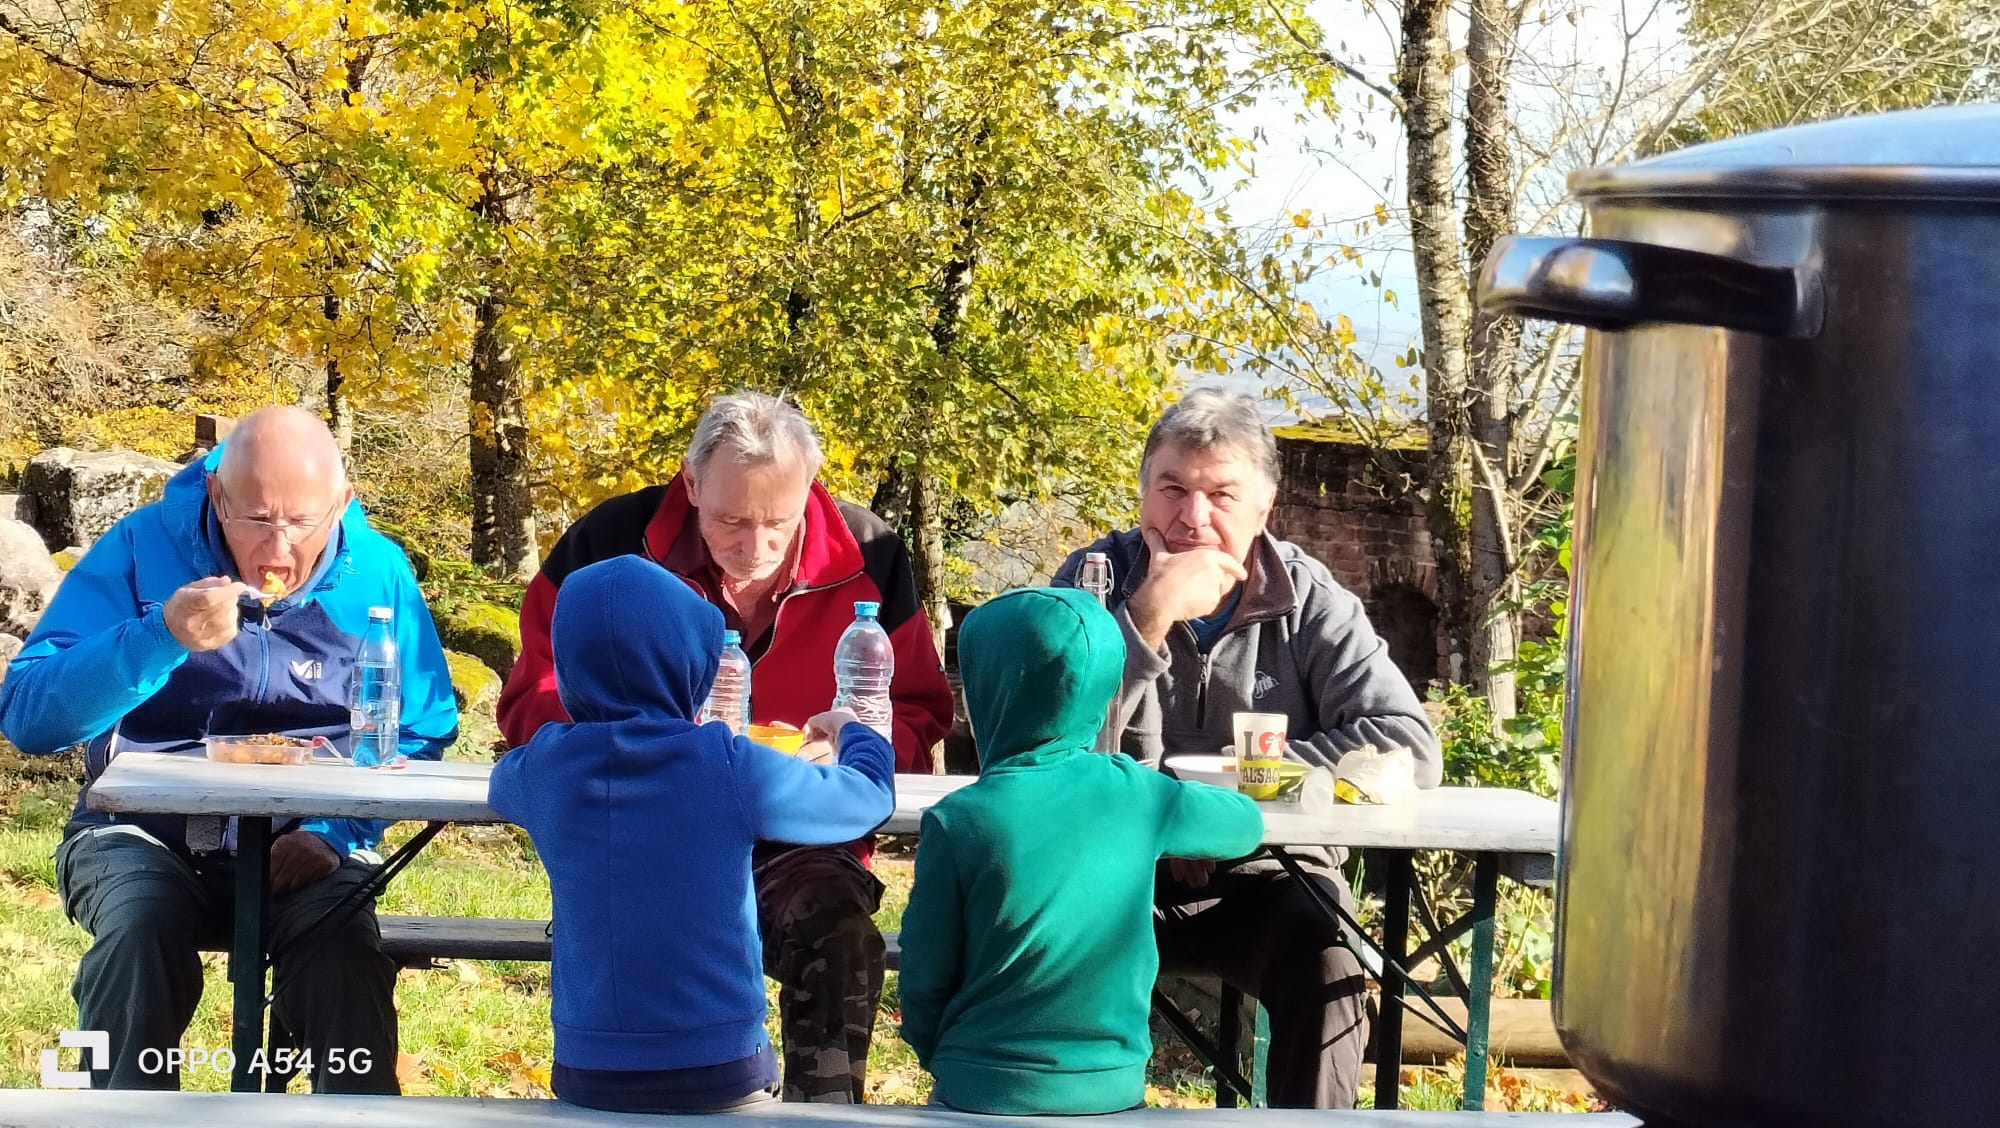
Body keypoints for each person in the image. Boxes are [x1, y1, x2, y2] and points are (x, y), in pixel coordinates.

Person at [496, 391, 954, 1102]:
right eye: (731, 521)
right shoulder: (608, 549)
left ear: (810, 490)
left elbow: (918, 708)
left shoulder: (870, 555)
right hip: (648, 835)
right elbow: (534, 695)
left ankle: (824, 1112)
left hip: (801, 829)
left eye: (779, 523)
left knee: (837, 931)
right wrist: (642, 748)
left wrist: (849, 751)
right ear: (690, 484)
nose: (756, 548)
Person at [0, 405, 458, 1092]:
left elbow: (423, 728)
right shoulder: (140, 548)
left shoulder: (379, 572)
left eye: (302, 521)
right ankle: (115, 1113)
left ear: (342, 504)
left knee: (342, 953)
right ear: (217, 497)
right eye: (257, 519)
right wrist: (159, 635)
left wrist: (336, 832)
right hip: (139, 832)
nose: (278, 549)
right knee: (138, 935)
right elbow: (30, 718)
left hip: (308, 839)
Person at [1052, 387, 1441, 1109]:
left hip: (1270, 869)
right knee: (1033, 943)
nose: (1193, 517)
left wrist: (1229, 802)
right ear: (1143, 492)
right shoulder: (1092, 581)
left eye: (1222, 495)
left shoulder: (1309, 599)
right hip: (1113, 871)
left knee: (1328, 965)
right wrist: (1148, 617)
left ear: (1264, 507)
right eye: (1172, 488)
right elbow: (1047, 739)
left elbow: (1406, 743)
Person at [489, 555, 895, 1113]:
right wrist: (855, 732)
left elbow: (501, 783)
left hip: (588, 1067)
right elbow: (866, 799)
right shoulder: (724, 762)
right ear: (690, 664)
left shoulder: (544, 767)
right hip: (721, 1067)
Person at [896, 586, 1263, 1113]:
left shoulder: (960, 819)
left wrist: (939, 1054)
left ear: (984, 693)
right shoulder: (1138, 794)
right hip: (1111, 1085)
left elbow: (923, 971)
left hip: (980, 1083)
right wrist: (1164, 806)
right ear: (1105, 692)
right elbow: (1245, 824)